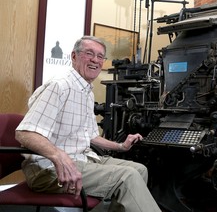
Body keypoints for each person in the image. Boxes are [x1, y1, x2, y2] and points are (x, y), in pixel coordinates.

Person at [15, 36, 162, 212]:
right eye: (89, 53)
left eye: (100, 56)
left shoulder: (86, 91)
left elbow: (90, 136)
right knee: (127, 177)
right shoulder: (60, 86)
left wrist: (121, 146)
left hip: (81, 159)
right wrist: (58, 156)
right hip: (48, 170)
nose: (95, 60)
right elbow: (25, 133)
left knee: (139, 170)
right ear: (74, 56)